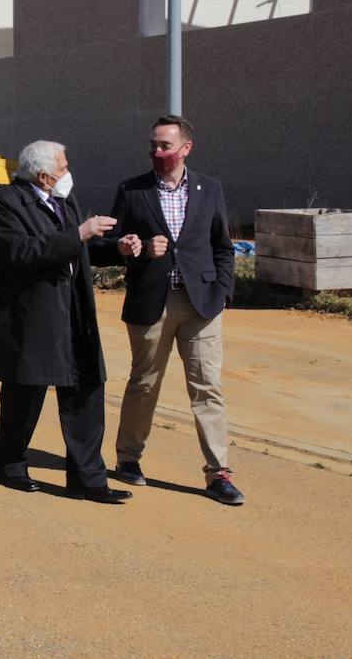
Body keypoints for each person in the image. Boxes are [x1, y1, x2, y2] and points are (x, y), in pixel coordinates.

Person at [101, 115, 244, 505]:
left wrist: (223, 292)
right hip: (152, 303)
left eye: (164, 146)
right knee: (144, 384)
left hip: (201, 305)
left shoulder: (209, 188)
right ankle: (128, 458)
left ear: (186, 148)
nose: (157, 153)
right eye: (153, 146)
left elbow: (222, 245)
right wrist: (131, 246)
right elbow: (112, 242)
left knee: (207, 388)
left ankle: (218, 472)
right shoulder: (132, 191)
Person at [0, 141, 131, 505]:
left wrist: (117, 249)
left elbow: (78, 249)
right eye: (64, 168)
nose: (69, 173)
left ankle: (88, 479)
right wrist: (80, 233)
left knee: (86, 390)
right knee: (25, 394)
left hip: (73, 309)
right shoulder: (6, 202)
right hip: (32, 315)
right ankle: (11, 464)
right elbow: (23, 251)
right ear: (44, 176)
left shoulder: (64, 201)